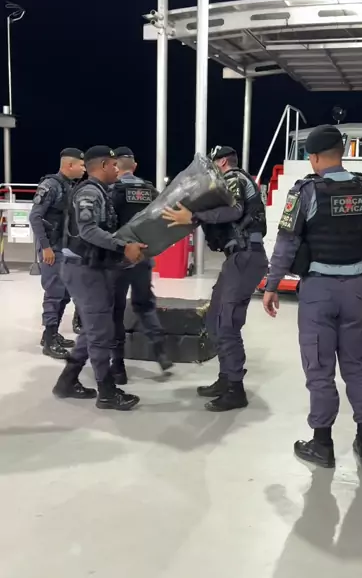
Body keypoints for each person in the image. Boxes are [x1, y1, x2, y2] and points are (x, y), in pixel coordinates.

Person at [262, 124, 362, 468]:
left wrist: (272, 285)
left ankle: (322, 445)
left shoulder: (305, 191)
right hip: (356, 290)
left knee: (319, 368)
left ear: (315, 158)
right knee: (358, 366)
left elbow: (286, 243)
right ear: (343, 153)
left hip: (318, 292)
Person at [162, 145, 268, 412]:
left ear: (222, 163)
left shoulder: (233, 178)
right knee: (214, 320)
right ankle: (226, 379)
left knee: (226, 324)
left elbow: (235, 210)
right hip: (239, 259)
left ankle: (235, 390)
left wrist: (193, 216)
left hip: (245, 257)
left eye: (213, 163)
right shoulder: (236, 179)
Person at [52, 146, 146, 409]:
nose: (118, 169)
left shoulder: (101, 191)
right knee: (101, 332)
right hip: (83, 270)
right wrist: (123, 247)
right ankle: (106, 392)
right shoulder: (90, 193)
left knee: (93, 330)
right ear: (104, 165)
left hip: (93, 268)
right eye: (114, 165)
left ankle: (67, 382)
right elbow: (88, 230)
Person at [110, 146, 172, 385]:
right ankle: (161, 352)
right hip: (143, 258)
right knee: (145, 305)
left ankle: (118, 367)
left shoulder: (112, 190)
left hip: (118, 259)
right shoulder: (150, 190)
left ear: (115, 166)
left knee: (115, 311)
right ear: (134, 166)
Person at [29, 148, 85, 359]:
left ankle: (51, 335)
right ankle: (49, 340)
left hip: (64, 248)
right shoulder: (51, 185)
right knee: (54, 294)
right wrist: (46, 248)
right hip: (51, 249)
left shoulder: (69, 186)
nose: (84, 169)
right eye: (81, 165)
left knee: (64, 294)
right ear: (69, 165)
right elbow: (35, 217)